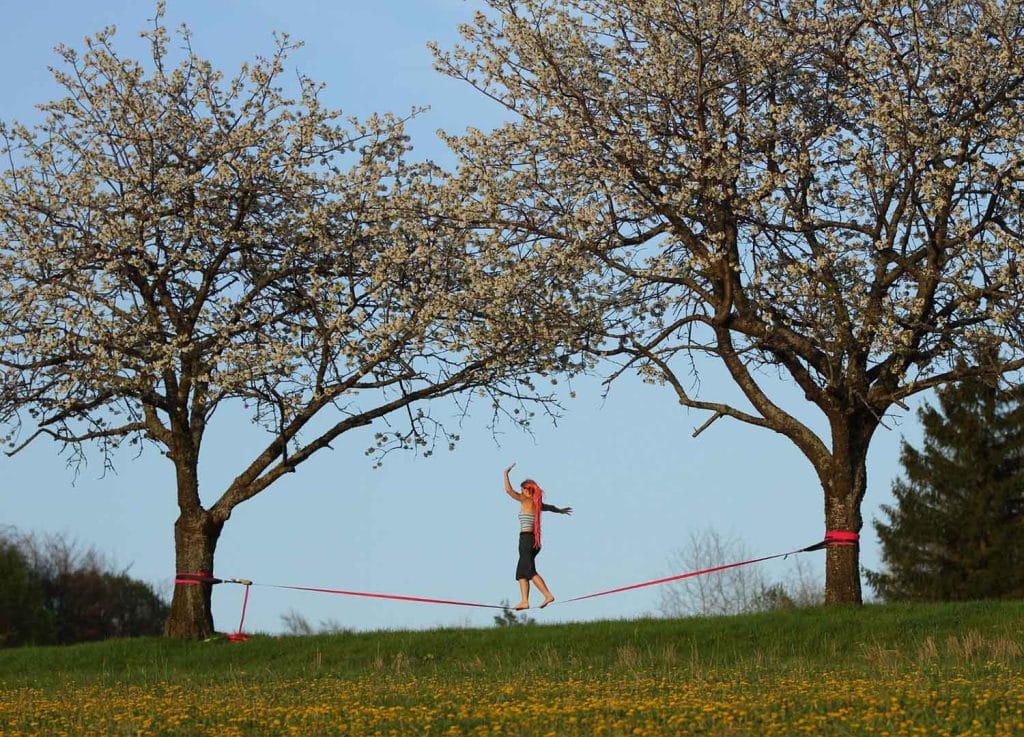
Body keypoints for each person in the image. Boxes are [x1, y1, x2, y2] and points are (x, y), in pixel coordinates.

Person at [503, 462, 572, 610]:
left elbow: (509, 491)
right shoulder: (537, 504)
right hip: (532, 541)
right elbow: (551, 507)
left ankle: (547, 595)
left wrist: (505, 474)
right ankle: (524, 601)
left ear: (527, 491)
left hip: (527, 540)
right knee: (522, 571)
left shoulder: (526, 500)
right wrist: (560, 510)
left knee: (528, 571)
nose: (521, 492)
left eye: (522, 490)